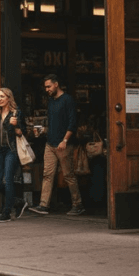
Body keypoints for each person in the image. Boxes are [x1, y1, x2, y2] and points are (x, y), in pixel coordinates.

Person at [29, 74, 84, 216]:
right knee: (48, 174)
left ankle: (78, 205)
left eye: (48, 86)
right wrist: (43, 131)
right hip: (50, 143)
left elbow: (72, 123)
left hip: (63, 144)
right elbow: (54, 123)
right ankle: (43, 205)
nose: (47, 89)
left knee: (68, 175)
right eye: (45, 87)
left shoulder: (67, 100)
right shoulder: (51, 101)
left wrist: (65, 140)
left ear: (56, 84)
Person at [0, 88, 28, 223]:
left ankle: (6, 212)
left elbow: (23, 133)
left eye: (2, 96)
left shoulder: (16, 113)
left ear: (9, 98)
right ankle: (17, 201)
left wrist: (16, 127)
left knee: (8, 180)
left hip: (11, 150)